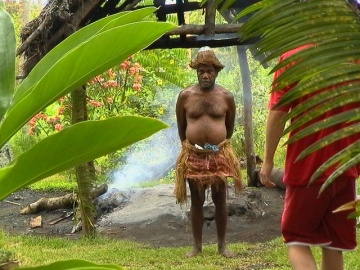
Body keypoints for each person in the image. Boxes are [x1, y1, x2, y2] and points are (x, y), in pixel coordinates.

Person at [260, 45, 360, 270]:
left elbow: (278, 112)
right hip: (346, 167)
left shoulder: (293, 56)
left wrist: (267, 162)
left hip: (307, 166)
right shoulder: (352, 54)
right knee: (334, 243)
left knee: (295, 238)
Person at [174, 47, 243, 258]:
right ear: (196, 71)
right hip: (194, 153)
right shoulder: (185, 96)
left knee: (220, 198)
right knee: (196, 200)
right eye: (201, 70)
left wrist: (215, 146)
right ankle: (197, 247)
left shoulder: (226, 97)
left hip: (218, 153)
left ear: (216, 72)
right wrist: (194, 147)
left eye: (210, 71)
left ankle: (222, 246)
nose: (205, 74)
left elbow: (229, 128)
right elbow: (181, 128)